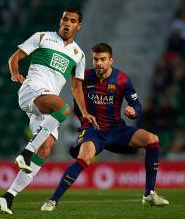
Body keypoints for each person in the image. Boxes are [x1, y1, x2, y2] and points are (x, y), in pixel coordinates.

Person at [41, 43, 169, 211]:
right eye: (95, 59)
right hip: (93, 130)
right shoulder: (84, 78)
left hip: (116, 130)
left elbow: (136, 103)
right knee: (85, 157)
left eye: (103, 59)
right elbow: (77, 102)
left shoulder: (122, 79)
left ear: (111, 60)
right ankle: (52, 201)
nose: (99, 63)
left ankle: (149, 195)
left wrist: (134, 112)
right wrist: (84, 119)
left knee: (152, 140)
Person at [0, 8, 98, 214]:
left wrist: (85, 112)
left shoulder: (78, 54)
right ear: (60, 21)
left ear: (79, 26)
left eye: (72, 21)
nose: (67, 23)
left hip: (46, 104)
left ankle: (8, 197)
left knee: (47, 147)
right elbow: (14, 58)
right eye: (64, 19)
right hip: (32, 90)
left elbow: (77, 87)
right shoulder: (42, 37)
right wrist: (15, 73)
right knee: (62, 107)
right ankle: (26, 152)